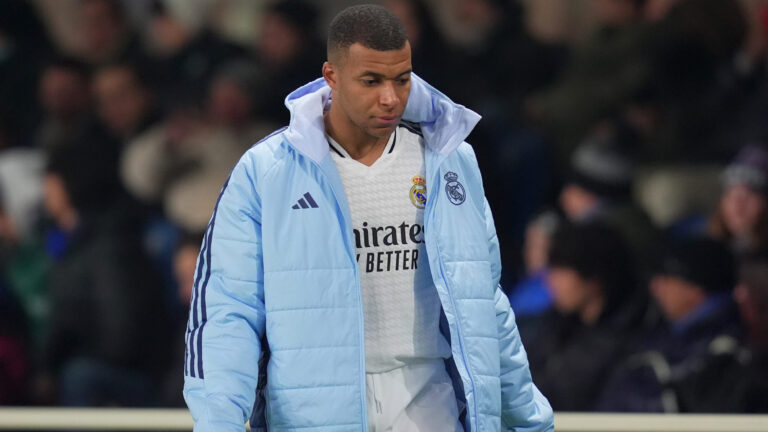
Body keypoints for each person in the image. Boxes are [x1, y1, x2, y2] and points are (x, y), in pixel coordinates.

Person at [183, 5, 553, 432]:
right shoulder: (266, 172)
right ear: (332, 76)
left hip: (430, 403)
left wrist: (529, 419)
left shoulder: (451, 160)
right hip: (314, 412)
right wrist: (219, 424)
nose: (391, 98)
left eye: (401, 78)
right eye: (371, 81)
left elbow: (484, 301)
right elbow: (228, 311)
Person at [524, 222, 649, 411]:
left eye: (562, 271)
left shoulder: (634, 342)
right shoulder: (555, 328)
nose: (551, 281)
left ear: (594, 279)